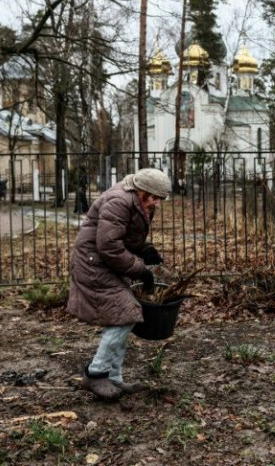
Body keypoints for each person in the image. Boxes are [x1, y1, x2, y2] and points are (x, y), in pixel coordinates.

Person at [67, 168, 170, 399]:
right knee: (125, 313)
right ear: (142, 191)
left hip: (104, 263)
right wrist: (140, 270)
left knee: (122, 315)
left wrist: (145, 250)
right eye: (155, 198)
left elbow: (121, 236)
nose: (157, 204)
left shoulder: (136, 202)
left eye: (160, 199)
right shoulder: (118, 202)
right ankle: (96, 374)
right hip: (93, 264)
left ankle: (113, 378)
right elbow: (109, 247)